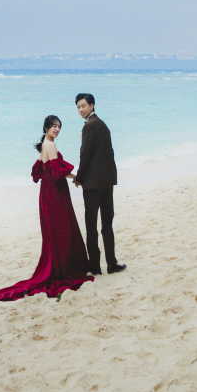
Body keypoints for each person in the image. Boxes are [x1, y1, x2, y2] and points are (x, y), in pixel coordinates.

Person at [0, 115, 94, 301]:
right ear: (46, 128)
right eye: (54, 126)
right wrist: (76, 177)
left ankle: (61, 264)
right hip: (55, 192)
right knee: (63, 229)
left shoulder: (45, 144)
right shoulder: (50, 145)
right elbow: (57, 171)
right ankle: (65, 268)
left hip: (47, 191)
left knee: (56, 230)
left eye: (59, 127)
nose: (57, 130)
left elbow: (40, 170)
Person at [73, 93, 125, 276]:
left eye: (83, 106)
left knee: (91, 225)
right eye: (78, 107)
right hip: (107, 181)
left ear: (92, 105)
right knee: (107, 223)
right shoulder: (101, 124)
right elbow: (109, 153)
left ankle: (95, 266)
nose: (81, 109)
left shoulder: (90, 125)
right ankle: (112, 263)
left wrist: (79, 177)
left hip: (93, 184)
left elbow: (85, 155)